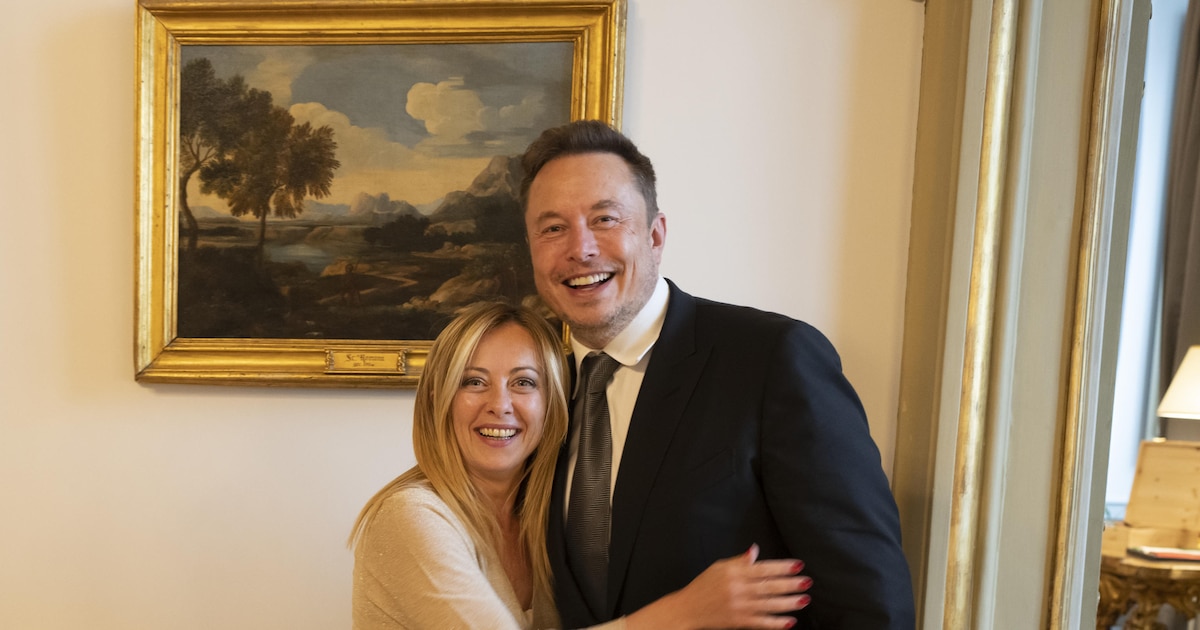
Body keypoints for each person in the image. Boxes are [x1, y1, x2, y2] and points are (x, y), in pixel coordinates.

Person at [520, 120, 916, 629]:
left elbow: (871, 602)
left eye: (605, 219)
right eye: (553, 228)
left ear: (655, 235)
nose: (581, 248)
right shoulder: (532, 392)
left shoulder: (772, 359)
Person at [348, 301, 812, 629]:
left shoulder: (547, 514)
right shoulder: (410, 516)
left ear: (553, 403)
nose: (500, 404)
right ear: (438, 398)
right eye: (473, 382)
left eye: (524, 383)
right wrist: (686, 612)